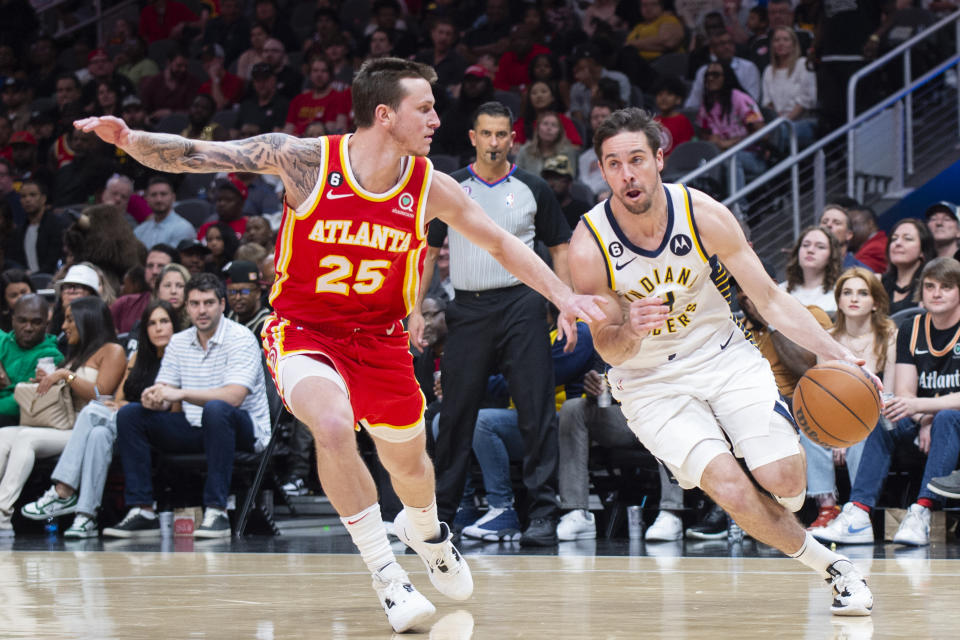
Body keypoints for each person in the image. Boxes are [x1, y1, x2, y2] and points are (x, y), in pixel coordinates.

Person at [75, 57, 602, 633]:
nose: (434, 119)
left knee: (410, 465)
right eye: (423, 108)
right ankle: (386, 574)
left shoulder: (430, 186)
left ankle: (426, 533)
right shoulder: (305, 161)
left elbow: (501, 244)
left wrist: (562, 294)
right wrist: (129, 139)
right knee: (330, 424)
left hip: (381, 340)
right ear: (385, 114)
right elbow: (201, 154)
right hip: (304, 331)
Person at [567, 107, 873, 615]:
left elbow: (771, 300)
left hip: (723, 354)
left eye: (637, 159)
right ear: (602, 170)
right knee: (730, 487)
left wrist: (840, 354)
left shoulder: (703, 213)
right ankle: (834, 568)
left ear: (660, 159)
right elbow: (606, 347)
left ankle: (771, 497)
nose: (627, 174)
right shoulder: (588, 244)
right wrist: (629, 329)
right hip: (649, 380)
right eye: (614, 164)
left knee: (785, 483)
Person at [421, 101, 575, 548]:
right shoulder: (451, 190)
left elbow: (561, 247)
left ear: (512, 139)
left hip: (524, 305)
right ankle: (442, 515)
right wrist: (414, 310)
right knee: (454, 414)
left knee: (536, 411)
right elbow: (429, 253)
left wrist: (563, 304)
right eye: (486, 134)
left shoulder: (532, 188)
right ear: (472, 137)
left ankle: (542, 514)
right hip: (467, 308)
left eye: (501, 134)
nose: (493, 142)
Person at [104, 274, 271, 539]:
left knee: (216, 409)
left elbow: (234, 397)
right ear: (187, 307)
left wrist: (178, 393)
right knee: (131, 415)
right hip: (196, 427)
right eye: (194, 303)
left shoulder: (241, 338)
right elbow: (165, 391)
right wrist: (153, 397)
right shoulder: (179, 342)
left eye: (208, 303)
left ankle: (216, 511)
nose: (201, 310)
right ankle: (143, 510)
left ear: (222, 305)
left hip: (244, 430)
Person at [813, 258, 960, 547]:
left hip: (951, 422)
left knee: (946, 418)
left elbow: (923, 403)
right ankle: (858, 514)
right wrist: (922, 418)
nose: (936, 293)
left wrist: (924, 411)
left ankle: (921, 512)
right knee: (884, 417)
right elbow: (904, 394)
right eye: (930, 286)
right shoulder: (911, 328)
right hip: (924, 420)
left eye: (946, 287)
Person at [19, 300, 182, 537]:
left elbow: (176, 411)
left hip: (158, 427)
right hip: (126, 425)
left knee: (93, 411)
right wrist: (122, 406)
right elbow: (116, 399)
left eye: (164, 322)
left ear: (174, 326)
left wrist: (129, 407)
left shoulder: (179, 357)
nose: (158, 328)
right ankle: (86, 518)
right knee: (98, 433)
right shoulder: (137, 358)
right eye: (152, 323)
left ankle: (63, 490)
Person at [0, 296, 126, 535]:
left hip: (85, 427)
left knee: (26, 438)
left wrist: (64, 376)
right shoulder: (75, 353)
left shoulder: (113, 350)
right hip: (63, 424)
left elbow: (102, 394)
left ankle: (3, 514)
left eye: (70, 320)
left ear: (87, 319)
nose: (63, 326)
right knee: (4, 435)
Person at [802, 268, 895, 531]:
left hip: (877, 414)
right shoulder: (828, 338)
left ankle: (857, 509)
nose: (854, 299)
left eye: (862, 293)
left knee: (865, 430)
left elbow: (890, 392)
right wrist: (836, 434)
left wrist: (847, 433)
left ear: (875, 302)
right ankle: (827, 508)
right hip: (838, 414)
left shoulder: (889, 335)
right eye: (847, 293)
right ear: (839, 301)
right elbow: (823, 394)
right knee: (808, 427)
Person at [556, 367, 688, 543]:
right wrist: (594, 387)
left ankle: (671, 512)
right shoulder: (610, 340)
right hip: (625, 416)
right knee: (573, 408)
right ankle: (577, 513)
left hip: (663, 410)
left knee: (670, 408)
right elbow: (603, 379)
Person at [696, 61, 766, 191]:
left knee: (731, 159)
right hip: (721, 154)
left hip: (752, 156)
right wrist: (711, 140)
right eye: (708, 75)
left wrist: (730, 143)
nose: (710, 78)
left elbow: (763, 133)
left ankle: (739, 208)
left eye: (716, 74)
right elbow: (703, 134)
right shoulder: (707, 104)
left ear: (726, 77)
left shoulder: (740, 99)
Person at [0, 294, 63, 427]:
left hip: (16, 420)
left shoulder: (51, 357)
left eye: (36, 322)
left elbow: (24, 401)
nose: (28, 328)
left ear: (47, 324)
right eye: (22, 321)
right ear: (13, 320)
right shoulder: (2, 340)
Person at [761, 26, 818, 149]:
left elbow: (805, 102)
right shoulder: (768, 71)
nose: (781, 43)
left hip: (802, 121)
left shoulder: (803, 64)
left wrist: (784, 120)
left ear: (794, 44)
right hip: (777, 122)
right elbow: (768, 103)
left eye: (786, 39)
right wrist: (777, 120)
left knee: (776, 134)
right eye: (777, 40)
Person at [685, 31, 762, 111]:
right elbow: (693, 102)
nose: (727, 47)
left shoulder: (748, 67)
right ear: (712, 49)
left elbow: (753, 100)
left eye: (730, 42)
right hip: (711, 114)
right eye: (722, 44)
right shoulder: (703, 71)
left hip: (741, 114)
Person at [779, 226, 843, 316]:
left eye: (820, 247)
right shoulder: (780, 290)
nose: (810, 250)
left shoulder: (841, 293)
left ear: (832, 255)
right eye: (805, 245)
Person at [881, 218, 935, 315]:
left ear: (923, 251)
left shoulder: (931, 286)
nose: (897, 243)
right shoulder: (878, 283)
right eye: (894, 239)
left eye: (908, 239)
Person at [134, 176, 197, 249]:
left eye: (163, 194)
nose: (159, 199)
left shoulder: (183, 228)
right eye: (154, 195)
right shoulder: (139, 231)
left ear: (173, 198)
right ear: (146, 199)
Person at [514, 111, 581, 179]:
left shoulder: (567, 152)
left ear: (559, 132)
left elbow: (569, 180)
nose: (549, 128)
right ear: (537, 128)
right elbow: (516, 177)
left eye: (554, 125)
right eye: (545, 124)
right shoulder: (525, 150)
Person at [224, 260, 270, 336]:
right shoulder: (230, 316)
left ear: (258, 292)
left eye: (245, 291)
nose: (237, 297)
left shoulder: (267, 324)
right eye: (232, 292)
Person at [819, 204, 871, 271]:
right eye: (824, 222)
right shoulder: (807, 267)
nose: (828, 225)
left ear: (848, 235)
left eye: (837, 223)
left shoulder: (862, 272)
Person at [849, 206, 888, 273]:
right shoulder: (871, 245)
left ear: (870, 223)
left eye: (853, 224)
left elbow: (856, 273)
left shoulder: (876, 248)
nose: (849, 229)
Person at [0, 269, 33, 333]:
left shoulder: (47, 315)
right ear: (5, 301)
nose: (21, 298)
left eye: (24, 292)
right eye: (14, 295)